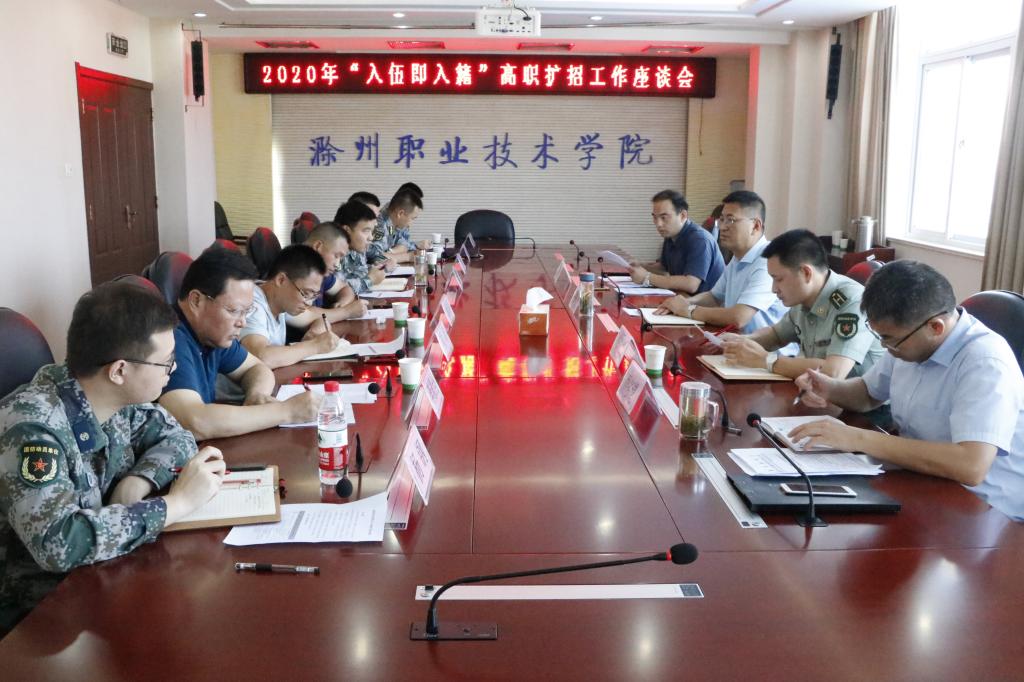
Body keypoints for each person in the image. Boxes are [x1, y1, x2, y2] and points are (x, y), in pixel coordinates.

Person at [0, 282, 226, 634]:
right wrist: (176, 504)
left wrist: (139, 480)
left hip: (103, 573)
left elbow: (177, 436)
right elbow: (59, 543)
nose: (173, 369)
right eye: (166, 361)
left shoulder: (112, 398)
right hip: (41, 614)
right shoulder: (32, 428)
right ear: (119, 370)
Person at [789, 261, 1024, 521]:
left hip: (985, 511)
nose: (884, 346)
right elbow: (867, 394)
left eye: (889, 339)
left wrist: (856, 438)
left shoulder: (985, 362)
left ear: (935, 327)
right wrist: (828, 387)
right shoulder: (909, 341)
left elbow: (970, 465)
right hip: (923, 481)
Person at [158, 248, 321, 440]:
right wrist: (287, 411)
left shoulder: (212, 334)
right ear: (196, 300)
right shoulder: (169, 339)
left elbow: (257, 368)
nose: (242, 322)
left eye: (246, 311)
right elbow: (194, 422)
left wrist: (256, 395)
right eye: (234, 310)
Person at [720, 229, 883, 379]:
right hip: (818, 393)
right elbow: (776, 335)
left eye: (779, 279)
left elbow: (834, 372)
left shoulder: (852, 302)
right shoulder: (803, 297)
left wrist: (767, 361)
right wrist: (741, 342)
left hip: (861, 400)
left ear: (806, 273)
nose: (774, 289)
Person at [654, 190, 786, 333]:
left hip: (762, 347)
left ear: (755, 226)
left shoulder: (767, 261)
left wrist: (689, 309)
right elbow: (714, 297)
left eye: (731, 220)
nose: (722, 227)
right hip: (735, 340)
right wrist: (682, 303)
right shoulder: (737, 257)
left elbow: (739, 317)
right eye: (721, 220)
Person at [240, 245, 345, 369]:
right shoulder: (251, 304)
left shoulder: (280, 299)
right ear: (281, 280)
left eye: (314, 295)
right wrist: (315, 346)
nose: (309, 303)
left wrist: (316, 331)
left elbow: (316, 318)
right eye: (305, 293)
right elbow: (261, 357)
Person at [629, 189, 724, 294]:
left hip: (702, 302)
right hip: (682, 296)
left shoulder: (699, 239)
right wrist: (640, 265)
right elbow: (663, 268)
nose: (658, 224)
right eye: (655, 217)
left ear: (683, 215)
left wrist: (647, 277)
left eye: (664, 217)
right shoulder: (670, 235)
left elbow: (691, 284)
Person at [296, 221, 368, 321]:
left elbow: (344, 288)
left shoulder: (318, 270)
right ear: (317, 246)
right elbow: (300, 315)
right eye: (336, 256)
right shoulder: (294, 269)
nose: (337, 265)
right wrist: (346, 312)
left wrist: (342, 303)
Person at [336, 200, 386, 295]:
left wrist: (375, 270)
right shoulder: (333, 253)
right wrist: (370, 280)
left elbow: (361, 272)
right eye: (366, 231)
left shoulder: (356, 247)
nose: (371, 238)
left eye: (371, 231)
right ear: (346, 230)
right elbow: (338, 290)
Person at [367, 188, 425, 265]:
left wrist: (393, 251)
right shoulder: (379, 226)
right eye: (412, 218)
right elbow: (375, 258)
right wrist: (408, 257)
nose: (410, 224)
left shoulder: (393, 222)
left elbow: (403, 243)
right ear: (400, 214)